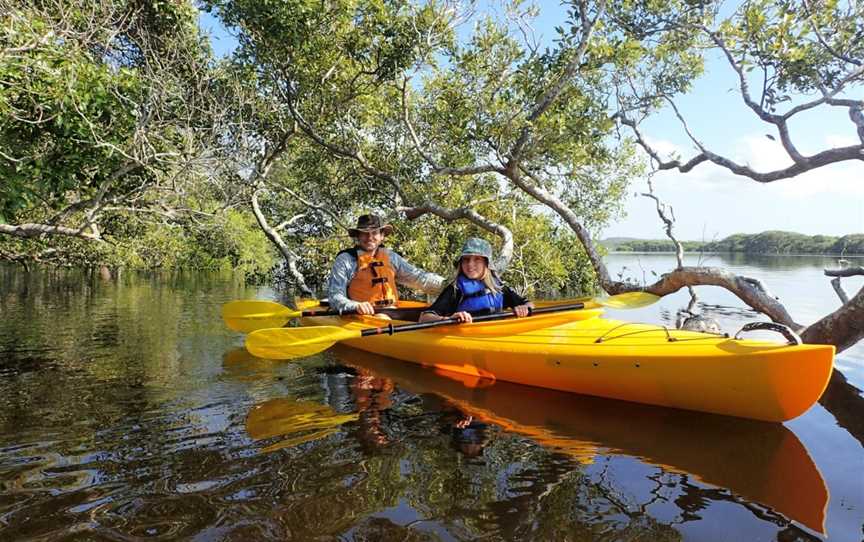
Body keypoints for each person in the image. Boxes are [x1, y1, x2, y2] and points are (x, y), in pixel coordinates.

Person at [327, 214, 445, 315]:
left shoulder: (391, 257)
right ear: (358, 236)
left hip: (391, 313)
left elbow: (418, 278)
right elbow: (335, 295)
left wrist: (449, 285)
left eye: (374, 233)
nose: (370, 237)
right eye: (364, 233)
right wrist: (355, 306)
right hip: (363, 316)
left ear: (382, 236)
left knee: (427, 314)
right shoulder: (346, 260)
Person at [419, 237, 532, 324]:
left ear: (486, 263)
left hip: (494, 337)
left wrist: (524, 308)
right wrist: (448, 319)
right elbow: (424, 317)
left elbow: (529, 304)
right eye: (466, 259)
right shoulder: (455, 289)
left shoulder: (499, 288)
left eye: (477, 259)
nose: (470, 264)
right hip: (468, 339)